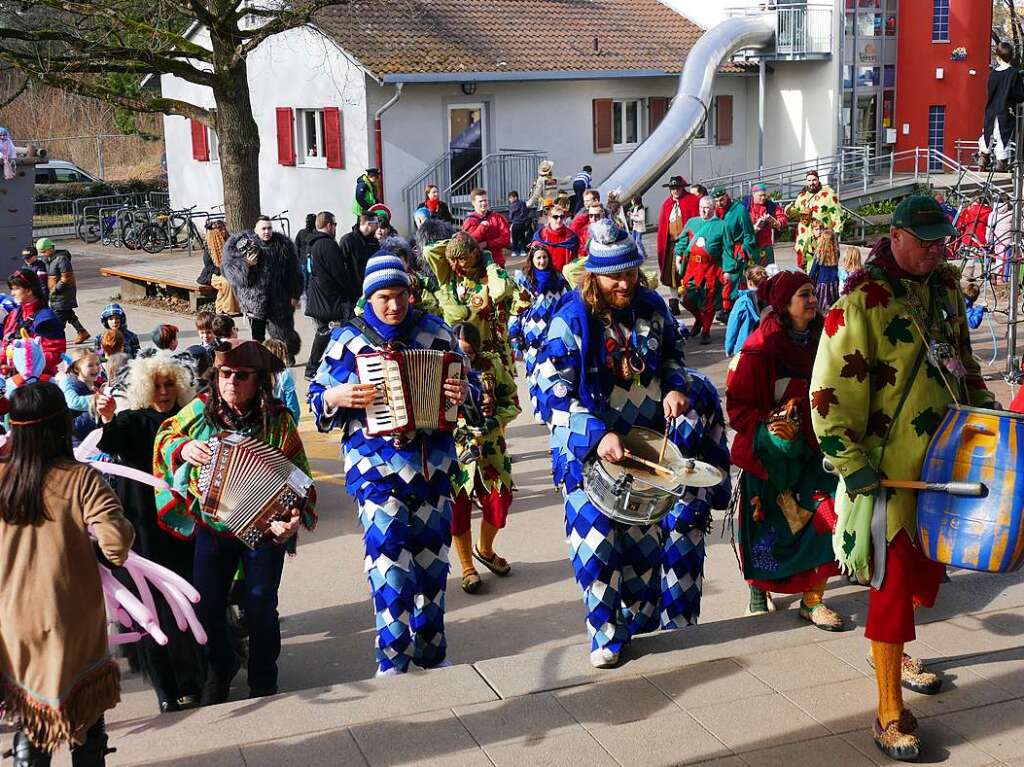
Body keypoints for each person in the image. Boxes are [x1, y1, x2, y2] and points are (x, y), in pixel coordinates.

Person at [810, 195, 996, 761]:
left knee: (921, 581)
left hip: (945, 468)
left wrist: (993, 422)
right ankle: (888, 711)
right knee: (890, 592)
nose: (936, 250)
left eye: (942, 240)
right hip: (887, 477)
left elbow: (963, 364)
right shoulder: (861, 301)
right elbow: (827, 393)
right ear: (893, 236)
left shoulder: (943, 290)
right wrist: (851, 464)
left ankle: (889, 655)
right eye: (925, 241)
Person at [532, 220, 696, 669]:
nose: (624, 283)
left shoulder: (652, 307)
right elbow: (550, 393)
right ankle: (604, 635)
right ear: (594, 275)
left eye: (630, 273)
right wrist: (596, 435)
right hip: (588, 457)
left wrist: (676, 387)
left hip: (644, 451)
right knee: (597, 547)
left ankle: (637, 627)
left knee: (644, 553)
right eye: (614, 275)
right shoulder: (570, 319)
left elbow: (672, 359)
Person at [308, 254, 473, 676]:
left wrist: (462, 391)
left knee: (433, 568)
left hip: (432, 467)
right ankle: (393, 660)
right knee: (390, 566)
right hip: (375, 471)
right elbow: (317, 397)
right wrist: (337, 397)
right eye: (384, 297)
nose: (394, 306)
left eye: (400, 296)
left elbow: (469, 387)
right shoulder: (348, 338)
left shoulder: (433, 331)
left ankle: (433, 654)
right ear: (368, 298)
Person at [155, 340, 316, 704]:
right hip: (215, 529)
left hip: (263, 533)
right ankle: (222, 666)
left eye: (241, 376)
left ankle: (263, 678)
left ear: (259, 380)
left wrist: (290, 521)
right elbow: (165, 434)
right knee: (206, 605)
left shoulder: (278, 420)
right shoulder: (200, 410)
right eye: (224, 374)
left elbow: (301, 481)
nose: (230, 382)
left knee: (260, 604)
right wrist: (182, 448)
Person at [0, 382, 134, 766]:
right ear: (61, 425)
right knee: (86, 717)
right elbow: (116, 546)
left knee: (32, 718)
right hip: (72, 619)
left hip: (12, 622)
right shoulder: (81, 479)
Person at [726, 270, 844, 628]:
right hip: (769, 456)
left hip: (815, 450)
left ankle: (813, 599)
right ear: (784, 304)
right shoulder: (760, 348)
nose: (812, 300)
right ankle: (759, 591)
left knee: (826, 520)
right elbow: (738, 406)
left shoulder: (828, 338)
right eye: (804, 295)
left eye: (812, 293)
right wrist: (773, 430)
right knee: (765, 526)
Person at [95, 352, 202, 714]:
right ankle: (165, 689)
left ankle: (193, 680)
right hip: (142, 525)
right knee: (151, 609)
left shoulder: (188, 419)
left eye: (169, 383)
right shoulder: (134, 420)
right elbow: (110, 442)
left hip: (182, 524)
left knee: (187, 603)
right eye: (156, 385)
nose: (163, 391)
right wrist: (108, 416)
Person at [449, 322, 520, 593]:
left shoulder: (493, 366)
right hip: (458, 454)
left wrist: (496, 421)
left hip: (491, 451)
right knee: (458, 512)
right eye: (459, 352)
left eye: (469, 352)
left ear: (478, 350)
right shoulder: (443, 366)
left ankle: (485, 550)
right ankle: (467, 568)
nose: (464, 358)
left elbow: (512, 403)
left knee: (500, 506)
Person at [424, 230, 515, 368]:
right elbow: (429, 251)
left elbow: (500, 292)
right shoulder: (448, 276)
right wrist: (458, 242)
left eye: (461, 258)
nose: (455, 265)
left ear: (475, 254)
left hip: (486, 354)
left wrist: (489, 263)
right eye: (451, 260)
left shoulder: (489, 276)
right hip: (455, 353)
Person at [222, 215, 304, 361]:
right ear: (256, 230)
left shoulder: (283, 244)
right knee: (257, 337)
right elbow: (231, 272)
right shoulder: (240, 244)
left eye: (269, 228)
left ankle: (286, 357)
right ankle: (259, 361)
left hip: (279, 300)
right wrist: (247, 264)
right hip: (254, 302)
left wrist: (295, 294)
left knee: (282, 333)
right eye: (263, 228)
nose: (267, 232)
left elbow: (294, 272)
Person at [509, 243, 570, 411]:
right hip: (531, 336)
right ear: (532, 260)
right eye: (538, 258)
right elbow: (516, 309)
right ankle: (538, 408)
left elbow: (567, 303)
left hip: (553, 333)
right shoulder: (524, 281)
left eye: (544, 257)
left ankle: (555, 407)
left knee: (556, 372)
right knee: (534, 374)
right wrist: (514, 335)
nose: (542, 261)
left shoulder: (558, 279)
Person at [304, 211, 362, 381]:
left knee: (325, 331)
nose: (336, 228)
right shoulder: (327, 245)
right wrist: (353, 291)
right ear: (329, 225)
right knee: (329, 331)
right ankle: (314, 367)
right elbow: (339, 273)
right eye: (335, 224)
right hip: (329, 299)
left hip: (321, 296)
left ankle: (315, 366)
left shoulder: (312, 244)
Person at [674, 195, 729, 344]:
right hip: (692, 268)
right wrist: (678, 255)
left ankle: (706, 330)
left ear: (713, 209)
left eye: (707, 208)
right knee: (686, 299)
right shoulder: (692, 222)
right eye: (701, 208)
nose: (703, 211)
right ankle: (699, 320)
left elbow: (727, 250)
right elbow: (682, 240)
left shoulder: (722, 226)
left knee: (708, 302)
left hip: (710, 269)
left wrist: (728, 269)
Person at [1, 268, 65, 377]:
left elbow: (55, 354)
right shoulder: (14, 314)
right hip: (11, 376)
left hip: (38, 380)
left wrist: (22, 362)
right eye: (11, 289)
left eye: (16, 289)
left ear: (29, 290)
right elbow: (5, 343)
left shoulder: (46, 319)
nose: (12, 293)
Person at [785, 171, 844, 271]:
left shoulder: (828, 194)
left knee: (822, 268)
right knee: (803, 270)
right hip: (804, 240)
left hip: (822, 238)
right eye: (809, 180)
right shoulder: (802, 195)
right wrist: (789, 210)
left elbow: (838, 215)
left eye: (814, 180)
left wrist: (836, 233)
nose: (812, 183)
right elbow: (797, 212)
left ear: (818, 180)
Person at [979, 41, 1024, 173]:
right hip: (1005, 110)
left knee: (988, 133)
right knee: (1003, 137)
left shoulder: (992, 74)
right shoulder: (1013, 74)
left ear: (997, 57)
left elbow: (990, 92)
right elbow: (1019, 95)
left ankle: (984, 156)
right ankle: (1001, 163)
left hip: (991, 110)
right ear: (1011, 56)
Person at [37, 238, 90, 345]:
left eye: (44, 251)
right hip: (55, 295)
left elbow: (67, 278)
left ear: (51, 249)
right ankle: (82, 332)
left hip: (63, 294)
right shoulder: (48, 260)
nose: (43, 254)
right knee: (68, 313)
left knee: (58, 318)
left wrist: (55, 289)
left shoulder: (61, 259)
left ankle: (55, 339)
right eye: (41, 252)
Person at [656, 176, 700, 300]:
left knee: (687, 272)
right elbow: (662, 228)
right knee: (671, 274)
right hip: (671, 244)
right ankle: (674, 299)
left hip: (687, 243)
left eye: (677, 188)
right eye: (672, 188)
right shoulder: (667, 204)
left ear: (682, 188)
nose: (675, 191)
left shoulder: (692, 201)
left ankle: (686, 299)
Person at [713, 187, 758, 305]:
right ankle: (721, 308)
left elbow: (749, 234)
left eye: (721, 200)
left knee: (732, 283)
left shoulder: (739, 210)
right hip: (720, 252)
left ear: (727, 196)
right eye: (716, 201)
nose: (719, 203)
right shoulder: (714, 212)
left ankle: (731, 309)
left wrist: (744, 249)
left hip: (735, 252)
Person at [59, 348, 102, 445]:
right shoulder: (73, 388)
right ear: (76, 369)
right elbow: (73, 426)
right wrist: (97, 408)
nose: (96, 368)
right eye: (90, 365)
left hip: (94, 440)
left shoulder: (97, 385)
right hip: (78, 444)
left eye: (98, 364)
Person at [724, 264, 768, 356]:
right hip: (766, 346)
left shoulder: (742, 302)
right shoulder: (771, 299)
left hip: (745, 348)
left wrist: (729, 348)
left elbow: (733, 326)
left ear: (750, 282)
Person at [461, 188, 511, 267]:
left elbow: (506, 239)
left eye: (485, 200)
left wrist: (487, 244)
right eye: (480, 201)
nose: (484, 203)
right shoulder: (469, 221)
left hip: (497, 263)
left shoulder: (497, 217)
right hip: (477, 265)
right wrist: (482, 227)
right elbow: (470, 242)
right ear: (473, 203)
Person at [742, 183, 788, 266]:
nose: (763, 198)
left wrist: (779, 222)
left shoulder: (770, 205)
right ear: (753, 194)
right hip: (749, 244)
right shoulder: (744, 206)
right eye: (760, 195)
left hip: (765, 244)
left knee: (768, 271)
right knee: (750, 274)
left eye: (764, 195)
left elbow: (782, 217)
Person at [205, 220, 240, 316]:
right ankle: (230, 309)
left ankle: (220, 309)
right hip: (215, 274)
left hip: (230, 272)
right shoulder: (210, 248)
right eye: (220, 230)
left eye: (224, 229)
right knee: (227, 283)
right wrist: (225, 271)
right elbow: (209, 267)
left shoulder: (231, 243)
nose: (223, 231)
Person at [531, 203, 580, 271]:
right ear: (549, 218)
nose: (559, 220)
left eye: (562, 216)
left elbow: (577, 260)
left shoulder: (571, 237)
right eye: (555, 217)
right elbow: (534, 260)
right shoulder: (540, 236)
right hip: (546, 275)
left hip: (565, 278)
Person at [264, 338, 301, 424]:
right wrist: (293, 423)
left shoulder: (257, 373)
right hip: (281, 421)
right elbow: (293, 405)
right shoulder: (285, 375)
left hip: (262, 422)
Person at [340, 212, 380, 284]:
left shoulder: (374, 242)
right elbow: (341, 265)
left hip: (371, 284)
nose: (378, 226)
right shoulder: (348, 240)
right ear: (369, 224)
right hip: (353, 288)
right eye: (376, 223)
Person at [294, 213, 318, 292]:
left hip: (308, 262)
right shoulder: (315, 234)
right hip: (305, 262)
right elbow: (296, 247)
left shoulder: (314, 234)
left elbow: (296, 247)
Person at [507, 190, 531, 257]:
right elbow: (526, 212)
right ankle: (523, 250)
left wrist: (510, 220)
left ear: (515, 197)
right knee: (522, 237)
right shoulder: (523, 203)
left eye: (510, 198)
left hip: (515, 223)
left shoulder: (512, 205)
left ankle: (515, 251)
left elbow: (510, 215)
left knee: (515, 238)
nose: (509, 200)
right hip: (523, 224)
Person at [628, 197, 648, 262]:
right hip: (635, 226)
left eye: (633, 200)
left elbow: (641, 218)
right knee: (633, 240)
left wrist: (633, 217)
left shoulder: (641, 209)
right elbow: (635, 214)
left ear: (636, 201)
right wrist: (631, 214)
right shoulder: (635, 208)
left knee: (638, 241)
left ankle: (644, 254)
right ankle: (635, 254)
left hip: (640, 227)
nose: (632, 201)